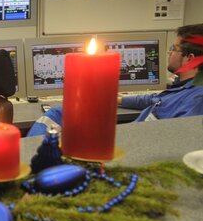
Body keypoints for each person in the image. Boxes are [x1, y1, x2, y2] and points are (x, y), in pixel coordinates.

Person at [26, 23, 203, 137]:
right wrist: (115, 99)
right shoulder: (184, 87)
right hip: (129, 133)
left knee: (58, 120)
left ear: (190, 58)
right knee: (60, 113)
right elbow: (153, 99)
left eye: (174, 48)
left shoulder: (197, 99)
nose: (170, 52)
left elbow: (180, 138)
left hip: (129, 142)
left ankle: (35, 158)